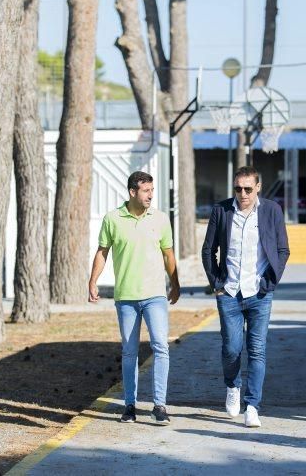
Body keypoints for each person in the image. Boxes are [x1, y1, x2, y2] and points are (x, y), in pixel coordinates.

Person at [88, 171, 180, 425]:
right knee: (129, 352)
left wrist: (175, 283)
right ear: (132, 192)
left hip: (155, 296)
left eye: (152, 190)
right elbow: (102, 252)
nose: (151, 195)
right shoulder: (112, 219)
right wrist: (93, 281)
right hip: (126, 297)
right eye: (146, 191)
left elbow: (168, 254)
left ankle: (159, 405)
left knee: (161, 346)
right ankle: (129, 405)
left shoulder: (160, 219)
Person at [201, 166, 290, 428]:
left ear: (258, 187)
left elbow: (283, 249)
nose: (243, 194)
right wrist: (217, 283)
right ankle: (232, 385)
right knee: (231, 349)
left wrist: (269, 282)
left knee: (257, 350)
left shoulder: (272, 210)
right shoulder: (222, 210)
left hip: (259, 293)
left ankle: (253, 406)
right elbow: (208, 250)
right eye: (238, 188)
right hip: (229, 292)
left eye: (248, 189)